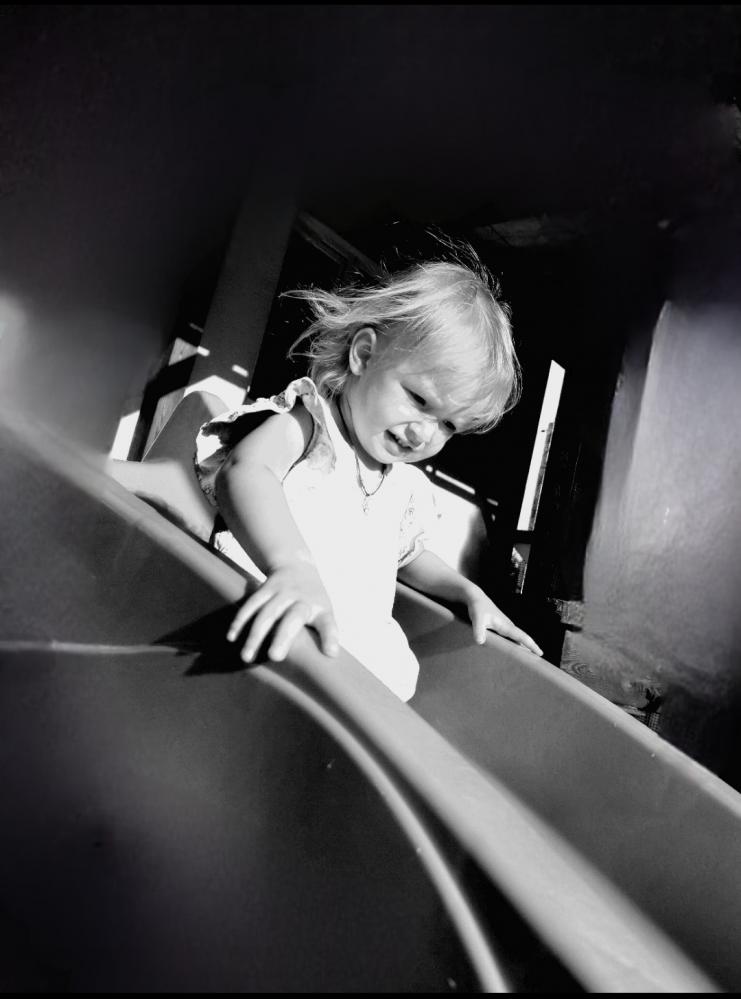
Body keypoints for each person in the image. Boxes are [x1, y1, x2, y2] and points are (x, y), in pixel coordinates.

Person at [195, 258, 543, 701]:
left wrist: (466, 591)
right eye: (419, 399)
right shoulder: (311, 424)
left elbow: (409, 556)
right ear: (363, 355)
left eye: (448, 425)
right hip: (266, 627)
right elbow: (246, 471)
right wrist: (291, 566)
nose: (424, 433)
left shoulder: (403, 487)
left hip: (349, 671)